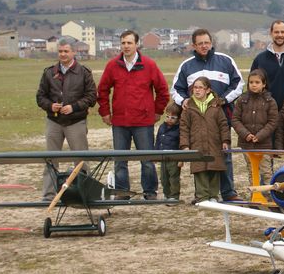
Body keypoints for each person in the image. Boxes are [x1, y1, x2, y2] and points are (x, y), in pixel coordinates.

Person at [172, 28, 244, 201]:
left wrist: (224, 100)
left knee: (223, 154)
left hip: (221, 117)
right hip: (196, 120)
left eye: (207, 42)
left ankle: (228, 192)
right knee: (200, 156)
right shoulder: (186, 66)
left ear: (211, 43)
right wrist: (183, 100)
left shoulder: (226, 61)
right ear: (194, 45)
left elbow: (239, 85)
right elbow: (175, 89)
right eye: (200, 43)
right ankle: (203, 194)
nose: (204, 46)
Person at [97, 30, 169, 200]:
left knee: (147, 160)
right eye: (123, 43)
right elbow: (102, 90)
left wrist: (157, 111)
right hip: (120, 122)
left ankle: (150, 192)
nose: (126, 46)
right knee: (120, 160)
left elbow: (163, 91)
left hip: (143, 122)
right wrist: (105, 112)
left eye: (129, 43)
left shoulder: (149, 65)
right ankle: (123, 192)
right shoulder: (112, 65)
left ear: (137, 44)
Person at [35, 36, 97, 200]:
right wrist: (50, 106)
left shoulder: (84, 73)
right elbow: (40, 97)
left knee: (81, 160)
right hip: (54, 122)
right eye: (60, 51)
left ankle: (85, 193)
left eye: (66, 51)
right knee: (51, 159)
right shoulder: (49, 73)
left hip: (76, 122)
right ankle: (49, 195)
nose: (62, 54)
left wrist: (74, 107)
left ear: (74, 52)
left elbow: (91, 97)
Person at [179, 77, 231, 204]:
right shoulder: (188, 107)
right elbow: (184, 128)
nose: (197, 90)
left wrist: (225, 140)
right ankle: (202, 196)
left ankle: (213, 195)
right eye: (195, 88)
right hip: (197, 144)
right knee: (200, 170)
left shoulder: (216, 106)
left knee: (214, 169)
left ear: (207, 90)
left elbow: (223, 124)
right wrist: (185, 145)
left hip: (214, 144)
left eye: (200, 88)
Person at [231, 69, 278, 183]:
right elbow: (235, 119)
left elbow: (273, 122)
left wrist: (260, 136)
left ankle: (269, 192)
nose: (254, 85)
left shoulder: (270, 101)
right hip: (246, 143)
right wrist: (246, 134)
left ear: (264, 84)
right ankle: (255, 192)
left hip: (264, 144)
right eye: (251, 82)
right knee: (252, 171)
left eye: (257, 82)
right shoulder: (242, 100)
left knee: (266, 172)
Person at [155, 102, 183, 203]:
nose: (169, 119)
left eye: (173, 117)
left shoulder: (179, 129)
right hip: (163, 157)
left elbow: (181, 145)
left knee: (174, 178)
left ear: (178, 118)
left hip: (174, 158)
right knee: (163, 178)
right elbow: (158, 141)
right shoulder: (162, 127)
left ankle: (174, 196)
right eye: (167, 116)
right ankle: (167, 195)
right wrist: (155, 154)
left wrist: (181, 159)